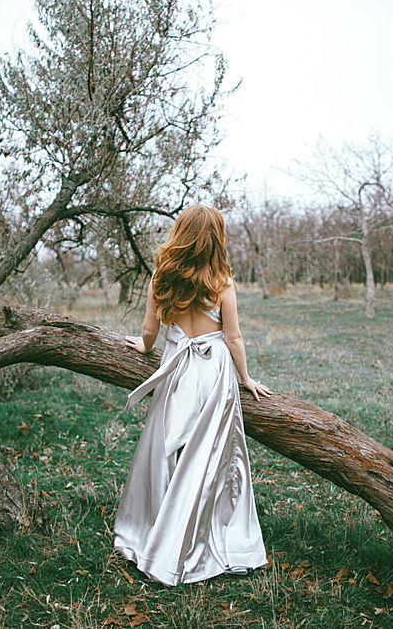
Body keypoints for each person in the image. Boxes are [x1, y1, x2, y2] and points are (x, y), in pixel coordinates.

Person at [115, 204, 271, 586]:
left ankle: (158, 526)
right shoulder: (222, 283)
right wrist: (246, 378)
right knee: (211, 452)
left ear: (181, 234)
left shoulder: (162, 277)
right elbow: (232, 337)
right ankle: (202, 529)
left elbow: (149, 335)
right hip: (213, 373)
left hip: (176, 370)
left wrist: (143, 344)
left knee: (169, 446)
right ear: (216, 238)